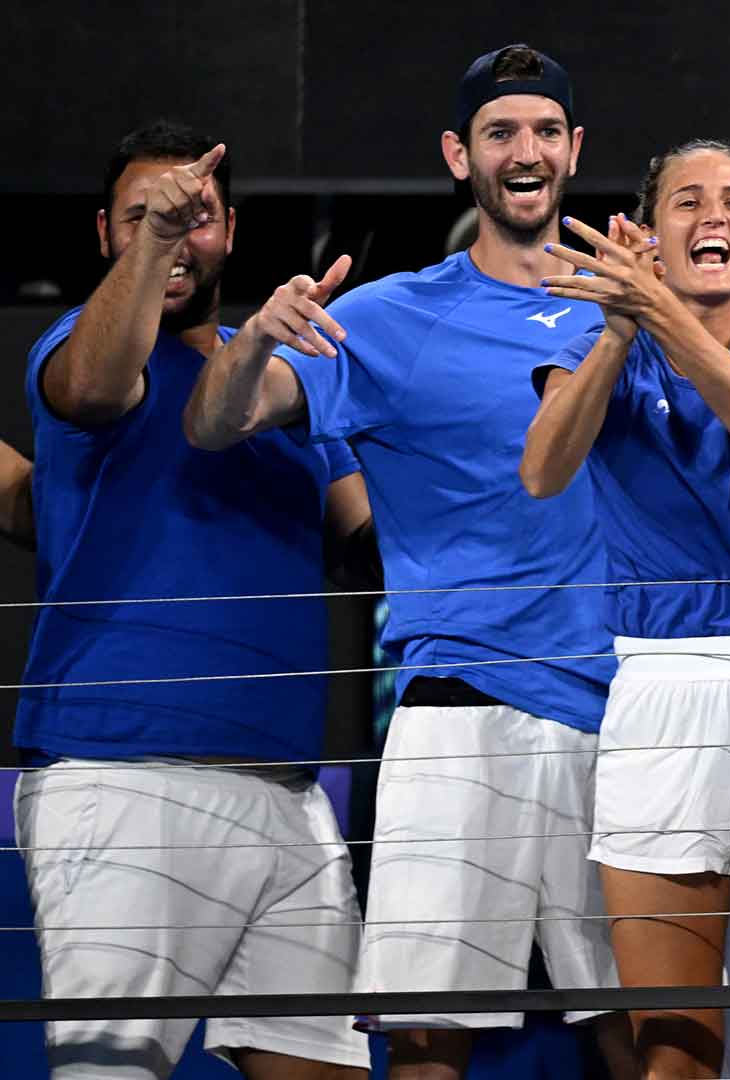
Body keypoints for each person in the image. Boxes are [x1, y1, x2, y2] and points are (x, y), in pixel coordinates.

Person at [183, 46, 634, 1079]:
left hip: (628, 718)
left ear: (574, 149)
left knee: (652, 1031)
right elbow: (217, 424)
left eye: (545, 131)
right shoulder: (389, 317)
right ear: (458, 155)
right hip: (458, 712)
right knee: (429, 1041)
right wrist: (253, 341)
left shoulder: (636, 311)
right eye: (500, 133)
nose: (525, 153)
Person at [15, 119, 371, 1079]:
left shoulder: (292, 383)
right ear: (104, 232)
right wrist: (158, 241)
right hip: (121, 776)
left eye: (193, 218)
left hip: (289, 792)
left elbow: (370, 539)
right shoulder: (81, 348)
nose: (173, 235)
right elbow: (97, 386)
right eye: (144, 218)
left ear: (233, 232)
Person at [520, 139, 730, 1078]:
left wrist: (651, 307)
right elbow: (543, 471)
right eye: (688, 201)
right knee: (674, 1053)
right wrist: (622, 326)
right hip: (660, 690)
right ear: (649, 235)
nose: (715, 214)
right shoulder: (598, 342)